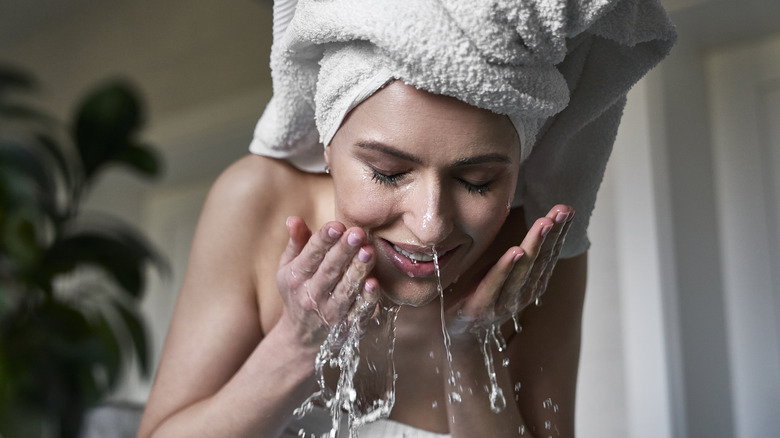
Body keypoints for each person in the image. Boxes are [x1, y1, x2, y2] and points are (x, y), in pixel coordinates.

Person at [138, 1, 675, 437]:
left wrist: (470, 348)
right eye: (389, 172)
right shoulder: (256, 203)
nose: (430, 224)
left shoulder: (529, 253)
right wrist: (297, 344)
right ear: (328, 144)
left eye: (478, 181)